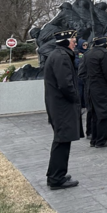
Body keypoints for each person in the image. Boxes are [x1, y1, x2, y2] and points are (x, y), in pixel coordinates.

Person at [44, 29, 82, 190]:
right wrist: (76, 99)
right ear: (66, 41)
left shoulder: (59, 55)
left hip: (59, 105)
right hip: (62, 106)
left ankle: (57, 173)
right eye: (73, 40)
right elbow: (66, 84)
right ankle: (56, 178)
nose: (75, 42)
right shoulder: (62, 57)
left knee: (62, 140)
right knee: (62, 141)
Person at [83, 34, 107, 148]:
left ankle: (94, 140)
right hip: (103, 89)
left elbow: (81, 73)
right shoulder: (104, 54)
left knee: (94, 115)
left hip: (90, 88)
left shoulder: (87, 54)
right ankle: (101, 140)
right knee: (103, 114)